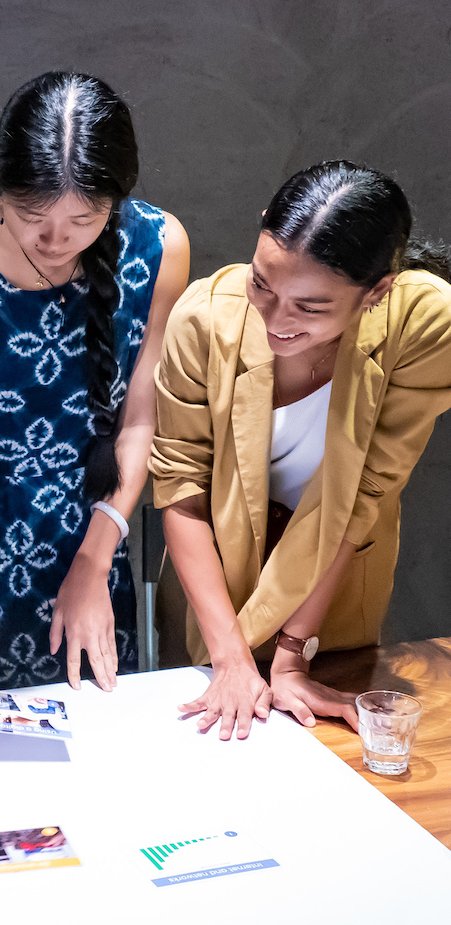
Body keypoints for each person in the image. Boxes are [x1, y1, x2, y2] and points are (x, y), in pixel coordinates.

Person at [151, 160, 451, 740]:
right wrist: (231, 658)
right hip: (211, 586)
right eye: (262, 284)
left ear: (377, 291)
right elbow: (182, 492)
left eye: (310, 308)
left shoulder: (422, 324)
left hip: (332, 593)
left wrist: (293, 654)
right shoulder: (203, 318)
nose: (275, 320)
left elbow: (364, 495)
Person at [0, 71, 190, 691]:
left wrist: (94, 564)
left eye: (85, 218)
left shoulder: (161, 245)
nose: (56, 238)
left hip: (93, 545)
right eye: (31, 214)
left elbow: (140, 421)